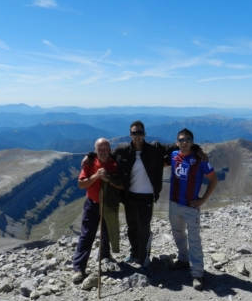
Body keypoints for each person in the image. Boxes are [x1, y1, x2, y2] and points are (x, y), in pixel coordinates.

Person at [85, 120, 206, 271]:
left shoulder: (155, 148)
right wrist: (90, 156)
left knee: (144, 228)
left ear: (144, 134)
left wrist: (197, 149)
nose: (137, 136)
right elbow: (105, 154)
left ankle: (144, 259)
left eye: (140, 132)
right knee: (132, 227)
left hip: (147, 196)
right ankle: (134, 253)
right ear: (130, 135)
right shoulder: (122, 150)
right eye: (134, 133)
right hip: (130, 196)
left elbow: (179, 145)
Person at [165, 128, 218, 291]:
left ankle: (197, 273)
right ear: (177, 142)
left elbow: (214, 179)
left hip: (190, 206)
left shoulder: (200, 159)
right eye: (181, 140)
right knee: (177, 233)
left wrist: (203, 199)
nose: (185, 142)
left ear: (192, 142)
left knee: (194, 239)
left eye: (188, 139)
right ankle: (183, 259)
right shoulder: (173, 156)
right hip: (173, 203)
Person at [72, 138, 123, 283]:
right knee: (87, 235)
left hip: (109, 205)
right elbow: (81, 184)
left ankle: (105, 256)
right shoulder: (89, 163)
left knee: (107, 233)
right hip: (92, 204)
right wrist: (96, 176)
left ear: (110, 149)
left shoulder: (115, 164)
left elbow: (123, 186)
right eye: (100, 149)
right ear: (95, 150)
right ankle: (79, 268)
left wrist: (108, 178)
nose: (103, 152)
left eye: (106, 149)